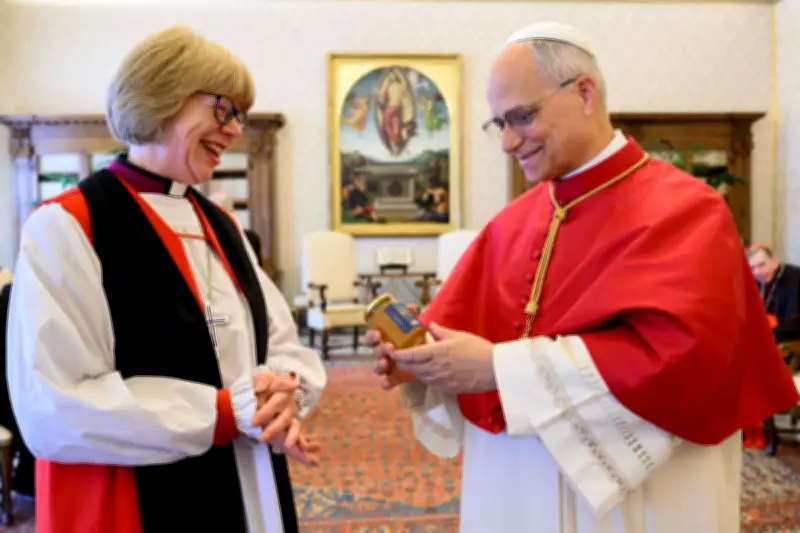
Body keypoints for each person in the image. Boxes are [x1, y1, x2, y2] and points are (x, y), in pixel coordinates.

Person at [367, 21, 799, 533]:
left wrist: (497, 369)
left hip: (639, 501)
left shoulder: (690, 211)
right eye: (498, 123)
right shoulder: (509, 224)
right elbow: (464, 340)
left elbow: (684, 366)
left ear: (585, 93)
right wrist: (425, 363)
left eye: (521, 117)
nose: (507, 142)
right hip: (516, 487)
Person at [6, 26, 326, 533]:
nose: (235, 130)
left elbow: (281, 343)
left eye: (240, 115)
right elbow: (53, 404)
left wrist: (284, 393)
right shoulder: (68, 225)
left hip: (247, 478)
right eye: (224, 109)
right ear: (161, 96)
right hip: (136, 495)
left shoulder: (223, 226)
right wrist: (222, 413)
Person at [747, 243, 800, 343]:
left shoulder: (795, 278)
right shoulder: (756, 281)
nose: (757, 272)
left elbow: (795, 323)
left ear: (775, 261)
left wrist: (764, 336)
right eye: (752, 268)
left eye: (762, 265)